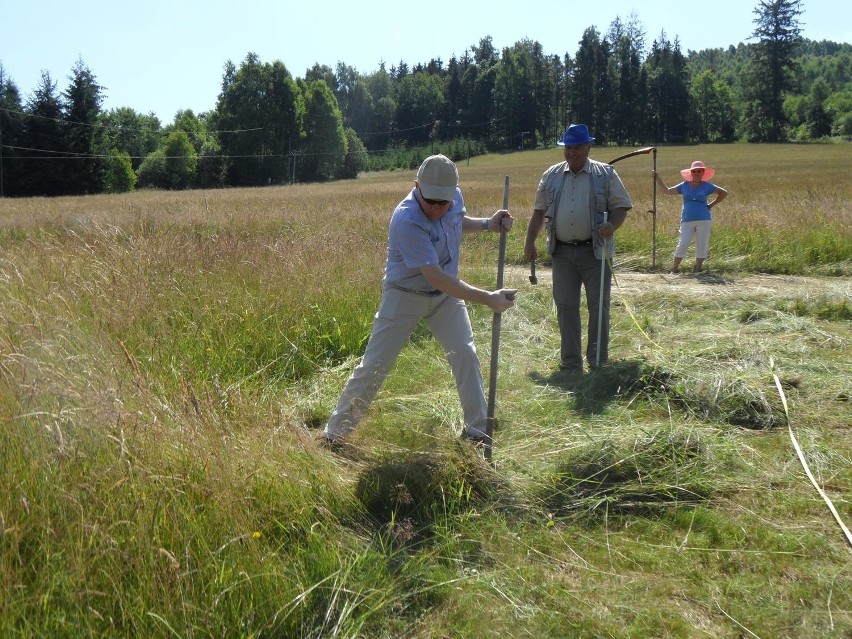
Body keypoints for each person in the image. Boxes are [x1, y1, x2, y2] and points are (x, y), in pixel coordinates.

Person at [322, 154, 517, 446]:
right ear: (416, 187)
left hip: (445, 299)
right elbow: (436, 277)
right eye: (432, 202)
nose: (439, 209)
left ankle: (477, 433)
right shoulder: (406, 219)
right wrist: (488, 298)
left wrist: (489, 224)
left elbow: (456, 220)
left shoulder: (451, 199)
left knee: (465, 354)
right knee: (375, 366)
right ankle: (335, 435)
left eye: (444, 202)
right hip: (404, 296)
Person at [524, 124, 633, 374]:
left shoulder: (605, 174)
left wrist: (612, 225)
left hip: (595, 252)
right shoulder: (551, 175)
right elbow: (539, 211)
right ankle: (571, 364)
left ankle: (597, 361)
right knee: (565, 306)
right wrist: (530, 241)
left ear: (588, 147)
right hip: (561, 253)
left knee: (599, 305)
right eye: (568, 147)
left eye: (578, 147)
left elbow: (621, 206)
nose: (572, 152)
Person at [653, 160, 728, 274]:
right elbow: (667, 191)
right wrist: (657, 177)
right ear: (691, 173)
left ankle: (698, 269)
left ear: (703, 173)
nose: (697, 173)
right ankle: (674, 268)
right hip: (687, 219)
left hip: (704, 219)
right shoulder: (684, 185)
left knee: (702, 244)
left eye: (699, 171)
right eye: (695, 171)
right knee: (683, 243)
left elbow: (723, 193)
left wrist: (711, 205)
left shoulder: (708, 186)